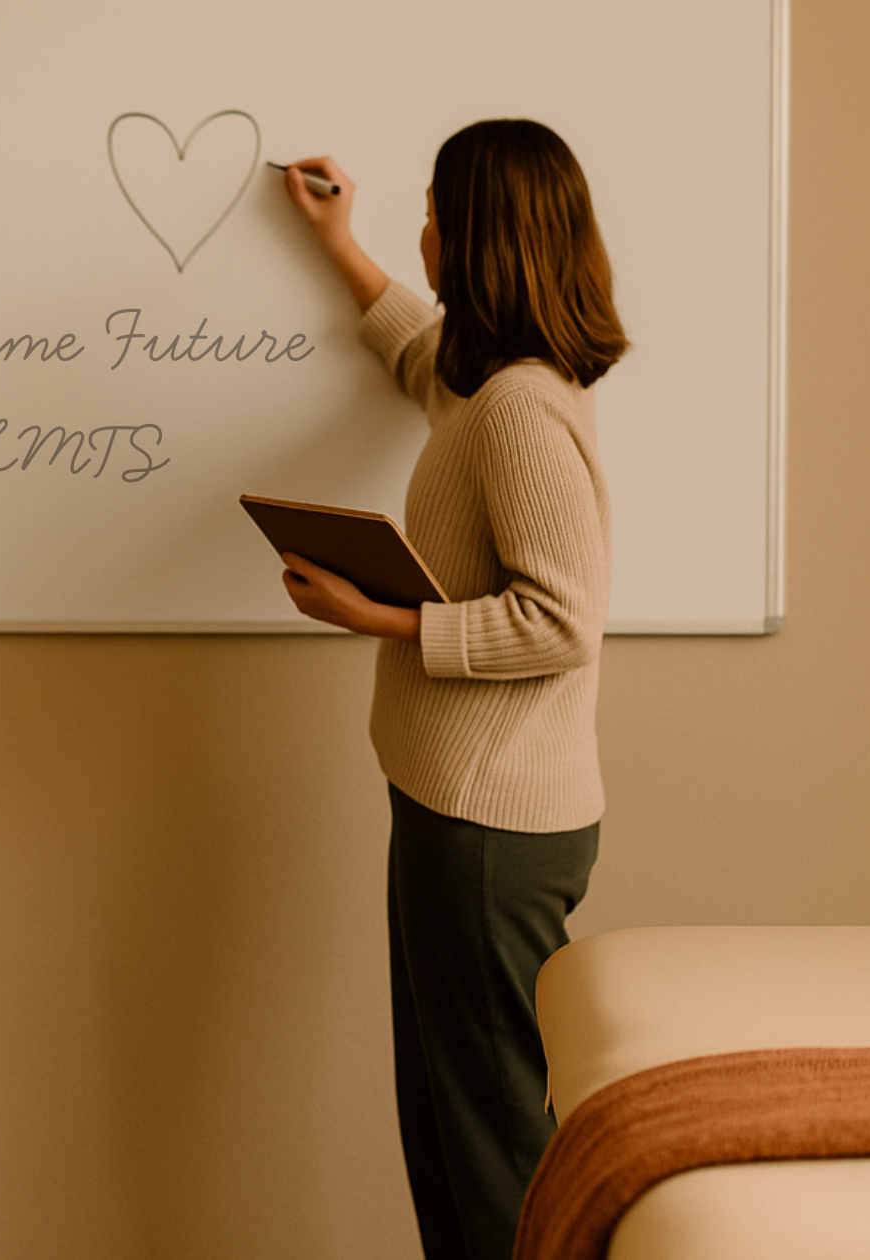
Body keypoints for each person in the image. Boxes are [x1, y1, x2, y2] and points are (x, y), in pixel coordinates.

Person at [276, 120, 626, 1260]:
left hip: (485, 832)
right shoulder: (487, 388)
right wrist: (339, 244)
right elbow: (417, 352)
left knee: (480, 1148)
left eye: (432, 211)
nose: (419, 228)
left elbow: (562, 620)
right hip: (455, 809)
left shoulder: (520, 411)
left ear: (476, 237)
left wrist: (378, 617)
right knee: (443, 1124)